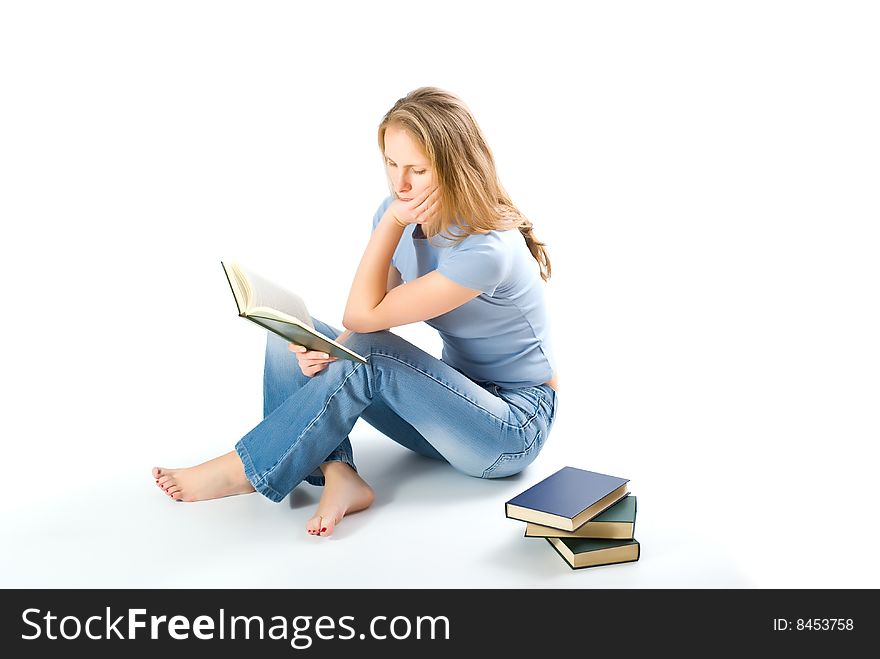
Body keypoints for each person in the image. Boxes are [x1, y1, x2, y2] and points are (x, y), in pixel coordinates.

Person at [153, 87, 558, 537]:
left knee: (367, 350)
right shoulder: (400, 216)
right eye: (391, 163)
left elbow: (363, 319)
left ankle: (247, 467)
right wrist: (321, 352)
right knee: (294, 336)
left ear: (454, 169)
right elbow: (369, 318)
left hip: (510, 428)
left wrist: (390, 224)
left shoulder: (487, 248)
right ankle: (339, 474)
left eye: (417, 170)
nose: (400, 184)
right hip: (447, 411)